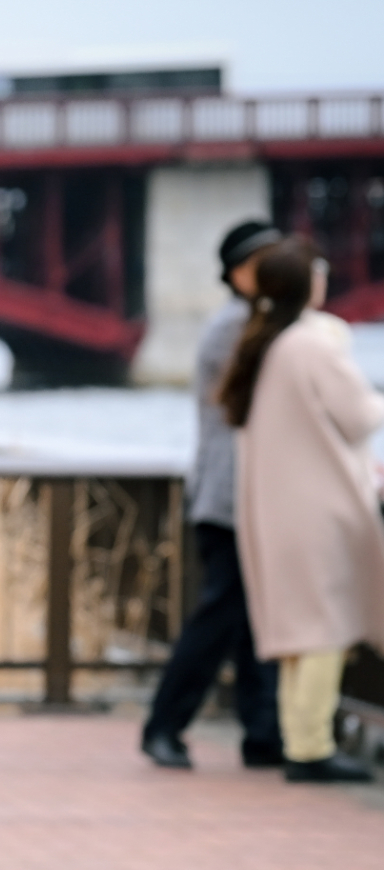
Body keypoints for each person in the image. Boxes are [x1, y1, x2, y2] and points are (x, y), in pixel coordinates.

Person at [222, 236, 384, 783]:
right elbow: (360, 418)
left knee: (300, 632)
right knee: (325, 630)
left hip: (279, 509)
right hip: (322, 509)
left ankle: (300, 739)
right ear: (306, 285)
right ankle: (311, 747)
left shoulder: (263, 344)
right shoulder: (311, 346)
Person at [140, 221, 285, 770]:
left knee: (250, 621)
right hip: (230, 499)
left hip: (241, 496)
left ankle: (262, 734)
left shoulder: (248, 324)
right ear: (240, 273)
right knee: (219, 618)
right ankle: (163, 725)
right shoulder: (236, 329)